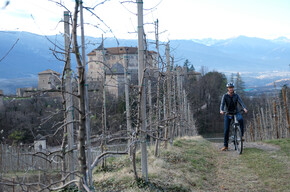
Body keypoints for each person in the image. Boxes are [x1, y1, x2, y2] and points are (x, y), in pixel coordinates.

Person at [220, 82, 248, 151]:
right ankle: (225, 146)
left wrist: (244, 108)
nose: (231, 89)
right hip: (228, 113)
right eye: (229, 88)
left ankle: (241, 136)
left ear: (233, 88)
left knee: (241, 119)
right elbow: (222, 104)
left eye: (232, 88)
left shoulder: (236, 95)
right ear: (228, 89)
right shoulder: (225, 96)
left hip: (236, 112)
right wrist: (221, 110)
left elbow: (241, 102)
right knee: (226, 130)